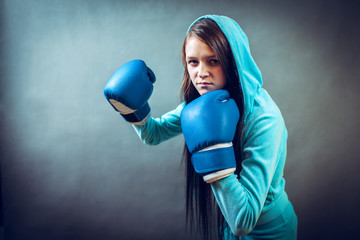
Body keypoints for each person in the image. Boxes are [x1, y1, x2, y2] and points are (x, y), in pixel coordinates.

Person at [104, 15, 297, 240]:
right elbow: (153, 134)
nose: (201, 73)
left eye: (213, 61)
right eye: (193, 62)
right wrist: (131, 108)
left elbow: (243, 220)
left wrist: (213, 154)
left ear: (232, 61)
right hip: (227, 226)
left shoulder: (264, 118)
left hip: (271, 232)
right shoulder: (202, 106)